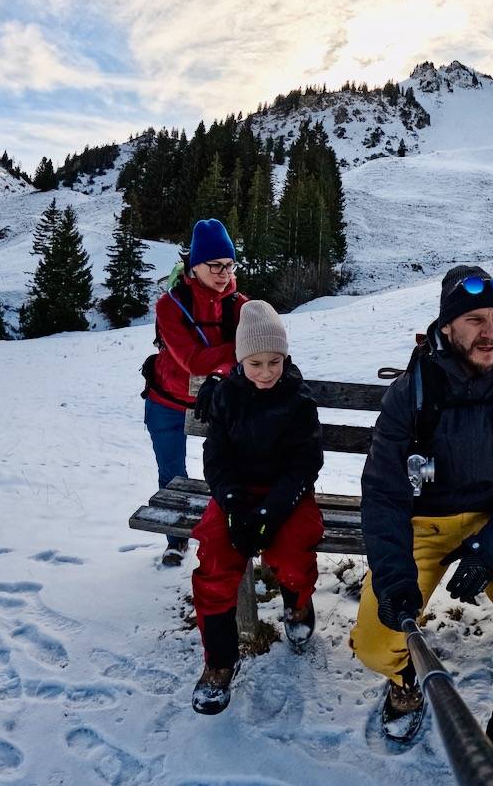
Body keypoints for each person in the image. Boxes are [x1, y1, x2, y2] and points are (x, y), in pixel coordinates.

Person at [350, 265, 493, 785]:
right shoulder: (411, 392)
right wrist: (396, 576)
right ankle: (407, 680)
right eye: (474, 319)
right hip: (423, 522)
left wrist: (489, 550)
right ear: (447, 325)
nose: (489, 332)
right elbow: (382, 491)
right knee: (376, 642)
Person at [190, 300, 325, 714]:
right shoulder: (227, 396)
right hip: (238, 492)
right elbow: (216, 456)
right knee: (215, 553)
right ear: (240, 361)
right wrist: (232, 503)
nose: (266, 372)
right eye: (256, 364)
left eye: (274, 362)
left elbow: (306, 463)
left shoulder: (297, 401)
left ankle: (297, 603)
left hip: (286, 493)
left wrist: (272, 512)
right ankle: (219, 660)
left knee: (294, 548)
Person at [143, 218, 247, 567]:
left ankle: (222, 535)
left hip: (216, 403)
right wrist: (233, 350)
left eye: (228, 264)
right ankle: (177, 539)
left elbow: (257, 353)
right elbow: (190, 361)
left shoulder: (239, 305)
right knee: (172, 474)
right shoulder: (171, 305)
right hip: (166, 402)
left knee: (224, 473)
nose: (223, 272)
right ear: (194, 264)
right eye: (214, 265)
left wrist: (221, 368)